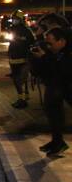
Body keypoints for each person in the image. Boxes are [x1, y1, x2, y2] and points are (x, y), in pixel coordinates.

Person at [30, 26, 72, 157]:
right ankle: (57, 141)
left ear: (62, 41)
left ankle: (58, 142)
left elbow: (63, 70)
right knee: (53, 113)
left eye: (50, 43)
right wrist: (37, 59)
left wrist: (44, 58)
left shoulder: (68, 54)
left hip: (66, 86)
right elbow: (45, 69)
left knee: (55, 113)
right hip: (56, 86)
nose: (48, 46)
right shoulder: (52, 53)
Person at [8, 11, 35, 108]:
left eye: (16, 19)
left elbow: (32, 41)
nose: (14, 20)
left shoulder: (26, 30)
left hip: (22, 57)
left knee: (18, 79)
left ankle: (21, 100)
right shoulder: (12, 29)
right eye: (13, 19)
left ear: (21, 20)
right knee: (19, 78)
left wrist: (22, 39)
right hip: (14, 57)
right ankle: (25, 96)